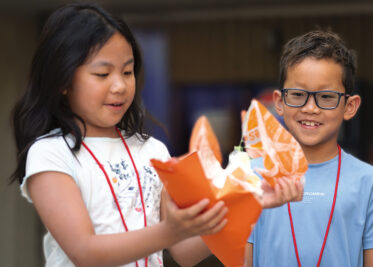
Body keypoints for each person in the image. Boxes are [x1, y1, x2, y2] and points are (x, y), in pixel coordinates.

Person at [10, 3, 302, 267]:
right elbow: (85, 252)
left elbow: (183, 252)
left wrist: (249, 202)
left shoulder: (152, 150)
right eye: (102, 74)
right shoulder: (50, 153)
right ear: (63, 80)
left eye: (127, 72)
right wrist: (167, 232)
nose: (120, 86)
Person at [246, 30, 373, 267]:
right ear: (279, 102)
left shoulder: (368, 181)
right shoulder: (252, 176)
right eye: (297, 95)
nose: (310, 108)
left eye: (326, 97)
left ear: (350, 106)